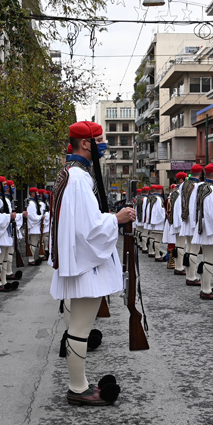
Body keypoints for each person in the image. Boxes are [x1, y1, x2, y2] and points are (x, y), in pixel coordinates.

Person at [51, 120, 135, 406]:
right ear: (85, 144)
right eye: (99, 140)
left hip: (79, 259)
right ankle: (78, 388)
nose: (103, 144)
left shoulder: (73, 174)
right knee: (80, 327)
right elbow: (89, 227)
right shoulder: (77, 178)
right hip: (84, 262)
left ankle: (80, 384)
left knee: (79, 325)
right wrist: (117, 219)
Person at [193, 163, 213, 300]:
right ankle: (206, 289)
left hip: (203, 224)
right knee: (209, 260)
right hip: (210, 227)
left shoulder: (201, 187)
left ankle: (204, 287)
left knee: (206, 259)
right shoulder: (211, 190)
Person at [179, 164, 204, 285]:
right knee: (194, 249)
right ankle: (191, 277)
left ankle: (189, 274)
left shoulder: (184, 185)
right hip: (194, 220)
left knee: (189, 247)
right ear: (200, 174)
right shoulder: (198, 186)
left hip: (186, 219)